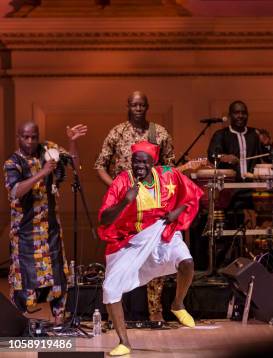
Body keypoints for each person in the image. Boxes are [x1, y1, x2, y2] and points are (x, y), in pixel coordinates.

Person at [98, 141, 203, 356]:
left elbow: (192, 194)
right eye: (136, 161)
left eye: (145, 162)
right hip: (130, 241)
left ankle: (177, 304)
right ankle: (124, 342)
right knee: (110, 289)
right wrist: (125, 201)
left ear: (153, 162)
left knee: (187, 262)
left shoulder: (167, 175)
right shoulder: (121, 182)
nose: (140, 166)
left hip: (162, 231)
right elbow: (105, 219)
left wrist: (176, 213)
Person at [94, 91, 174, 323]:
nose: (138, 109)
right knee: (120, 255)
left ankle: (155, 310)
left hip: (151, 202)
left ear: (147, 107)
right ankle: (115, 312)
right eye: (134, 105)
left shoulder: (159, 132)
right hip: (125, 205)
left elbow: (170, 168)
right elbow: (100, 165)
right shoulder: (117, 132)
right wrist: (118, 189)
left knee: (154, 252)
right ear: (127, 106)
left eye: (142, 105)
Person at [3, 121, 87, 324]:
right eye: (25, 137)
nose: (30, 141)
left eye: (34, 136)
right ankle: (20, 323)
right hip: (25, 232)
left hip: (50, 228)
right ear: (18, 137)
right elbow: (15, 191)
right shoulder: (12, 163)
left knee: (58, 276)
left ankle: (59, 321)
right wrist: (42, 173)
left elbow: (75, 165)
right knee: (26, 280)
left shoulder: (49, 149)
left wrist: (72, 142)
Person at [207, 100, 271, 179]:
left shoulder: (255, 134)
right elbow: (212, 155)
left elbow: (269, 159)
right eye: (236, 113)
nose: (240, 116)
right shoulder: (221, 134)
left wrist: (267, 145)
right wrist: (224, 157)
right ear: (230, 116)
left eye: (244, 113)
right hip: (229, 185)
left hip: (252, 184)